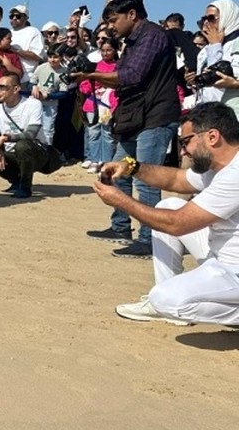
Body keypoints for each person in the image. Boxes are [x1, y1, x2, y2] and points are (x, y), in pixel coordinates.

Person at [100, 103, 239, 326]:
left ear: (212, 137)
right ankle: (166, 300)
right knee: (169, 205)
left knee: (165, 299)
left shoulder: (235, 174)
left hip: (234, 271)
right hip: (222, 259)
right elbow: (176, 179)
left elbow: (177, 224)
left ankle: (168, 303)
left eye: (186, 142)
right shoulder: (219, 166)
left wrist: (121, 201)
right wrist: (131, 166)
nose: (183, 151)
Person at [71, 0, 181, 259]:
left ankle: (148, 240)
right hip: (134, 116)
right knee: (113, 172)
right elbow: (124, 76)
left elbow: (131, 76)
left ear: (132, 15)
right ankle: (120, 226)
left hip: (155, 116)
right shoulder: (131, 41)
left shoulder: (152, 36)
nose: (110, 25)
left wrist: (90, 73)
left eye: (114, 19)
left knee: (145, 179)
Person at [0, 74, 53, 198]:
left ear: (16, 89)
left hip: (37, 152)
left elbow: (31, 134)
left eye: (3, 87)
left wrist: (5, 138)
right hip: (12, 153)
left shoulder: (33, 104)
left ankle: (25, 187)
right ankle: (16, 181)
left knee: (22, 146)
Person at [78, 36, 119, 172]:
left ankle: (106, 161)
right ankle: (94, 160)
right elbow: (84, 85)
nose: (106, 53)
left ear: (115, 50)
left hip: (109, 104)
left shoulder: (118, 67)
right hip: (93, 104)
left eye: (109, 50)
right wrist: (94, 85)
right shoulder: (94, 66)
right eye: (103, 50)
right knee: (93, 132)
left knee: (107, 134)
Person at [192, 0, 239, 114]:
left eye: (211, 18)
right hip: (209, 114)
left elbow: (219, 78)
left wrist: (234, 84)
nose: (207, 24)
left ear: (227, 17)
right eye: (204, 19)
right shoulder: (205, 51)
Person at [6, 4, 44, 86]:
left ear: (26, 18)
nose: (14, 18)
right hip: (9, 78)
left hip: (27, 79)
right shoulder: (8, 33)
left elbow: (38, 57)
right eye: (11, 16)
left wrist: (16, 51)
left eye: (18, 16)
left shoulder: (33, 32)